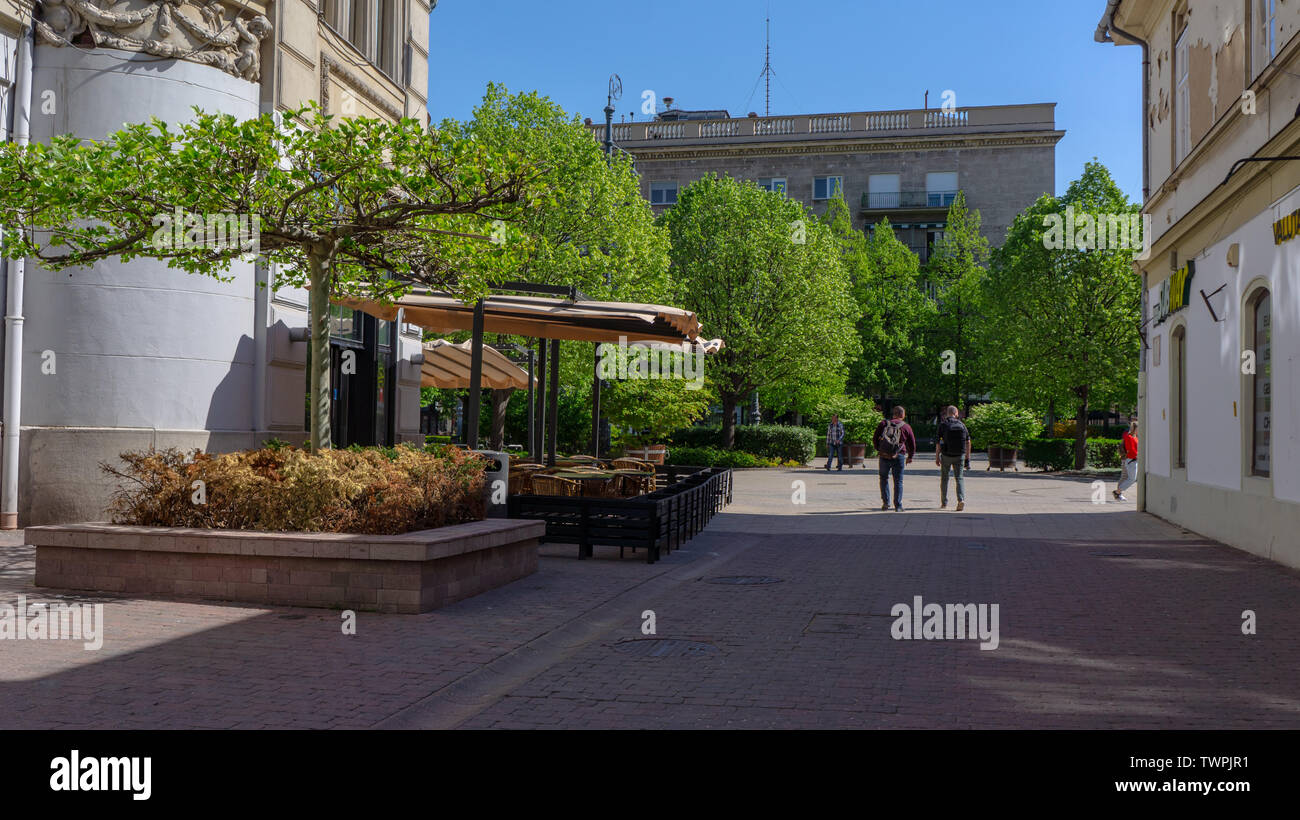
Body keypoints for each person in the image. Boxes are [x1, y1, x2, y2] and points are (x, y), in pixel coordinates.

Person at [873, 406, 916, 511]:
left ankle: (886, 503)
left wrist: (879, 449)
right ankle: (898, 505)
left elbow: (875, 438)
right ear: (902, 415)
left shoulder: (883, 424)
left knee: (883, 479)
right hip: (899, 455)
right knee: (898, 481)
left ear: (894, 414)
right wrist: (910, 456)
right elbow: (912, 443)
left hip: (884, 455)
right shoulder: (906, 427)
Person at [935, 405, 971, 510]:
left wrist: (937, 457)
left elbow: (938, 443)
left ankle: (944, 503)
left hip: (946, 455)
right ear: (956, 413)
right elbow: (968, 442)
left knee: (944, 479)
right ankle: (961, 500)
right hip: (960, 455)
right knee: (959, 478)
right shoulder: (962, 425)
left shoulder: (943, 425)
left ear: (947, 413)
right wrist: (967, 458)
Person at [1114, 420, 1139, 501]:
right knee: (1129, 478)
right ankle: (1118, 493)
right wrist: (1138, 455)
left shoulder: (1134, 437)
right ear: (1135, 428)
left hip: (1131, 459)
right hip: (1130, 459)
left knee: (1127, 477)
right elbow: (1130, 449)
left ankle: (1118, 493)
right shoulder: (1129, 436)